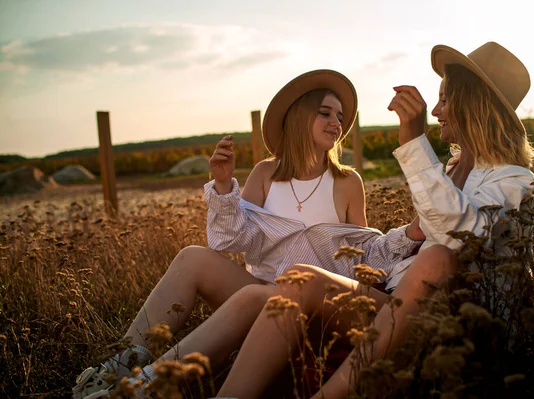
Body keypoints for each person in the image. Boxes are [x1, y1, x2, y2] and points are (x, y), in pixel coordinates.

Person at [215, 41, 534, 399]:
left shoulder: (515, 181)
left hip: (452, 322)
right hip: (398, 300)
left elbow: (458, 238)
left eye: (445, 100)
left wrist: (415, 143)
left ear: (473, 106)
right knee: (297, 281)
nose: (435, 111)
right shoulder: (451, 168)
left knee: (436, 258)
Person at [72, 70, 422, 399]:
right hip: (259, 291)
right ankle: (113, 369)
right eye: (326, 113)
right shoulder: (266, 173)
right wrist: (224, 186)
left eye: (341, 117)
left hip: (310, 304)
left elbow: (360, 255)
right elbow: (232, 239)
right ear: (300, 117)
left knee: (261, 296)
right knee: (193, 257)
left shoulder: (347, 181)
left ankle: (147, 386)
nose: (337, 123)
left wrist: (410, 234)